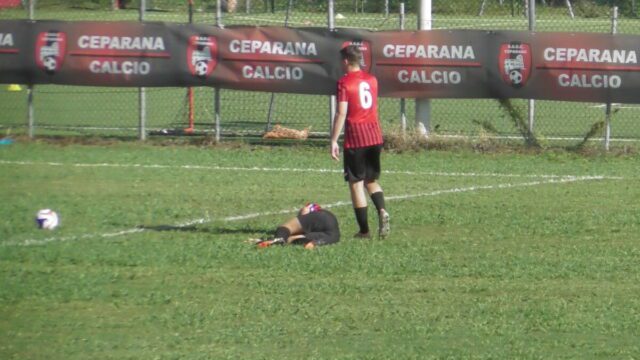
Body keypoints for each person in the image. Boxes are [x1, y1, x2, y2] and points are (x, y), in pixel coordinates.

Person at [330, 44, 390, 239]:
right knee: (371, 180)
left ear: (346, 61)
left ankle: (364, 231)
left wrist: (333, 140)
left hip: (356, 139)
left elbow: (341, 112)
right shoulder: (372, 80)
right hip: (375, 136)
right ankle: (382, 210)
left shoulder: (344, 82)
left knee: (356, 184)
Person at [251, 203, 340, 250]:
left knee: (286, 227)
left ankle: (277, 239)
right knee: (294, 239)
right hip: (330, 230)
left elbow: (306, 209)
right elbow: (297, 238)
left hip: (323, 218)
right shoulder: (331, 236)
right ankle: (277, 240)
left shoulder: (314, 211)